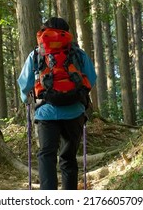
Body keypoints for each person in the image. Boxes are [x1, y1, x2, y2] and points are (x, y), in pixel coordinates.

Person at [17, 17, 97, 190]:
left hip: (46, 112)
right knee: (68, 157)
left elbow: (24, 83)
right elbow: (91, 78)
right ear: (67, 33)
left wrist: (26, 100)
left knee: (47, 155)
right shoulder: (77, 53)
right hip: (74, 111)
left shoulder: (37, 53)